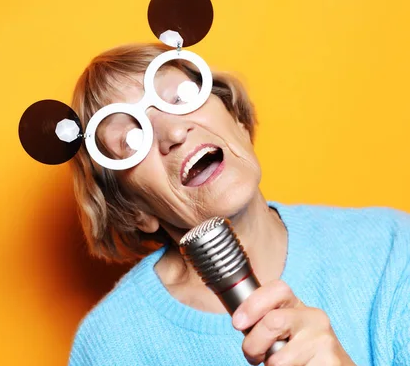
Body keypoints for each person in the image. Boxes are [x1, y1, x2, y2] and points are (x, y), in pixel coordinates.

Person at [66, 42, 410, 366]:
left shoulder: (391, 247)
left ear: (238, 121)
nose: (173, 132)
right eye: (131, 139)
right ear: (134, 211)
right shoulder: (110, 345)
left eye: (182, 96)